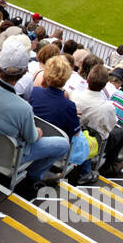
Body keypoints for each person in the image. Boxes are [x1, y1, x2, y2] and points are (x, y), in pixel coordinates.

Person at [0, 44, 72, 199]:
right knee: (63, 144)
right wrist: (39, 132)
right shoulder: (23, 108)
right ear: (24, 72)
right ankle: (33, 177)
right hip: (5, 156)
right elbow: (31, 138)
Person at [29, 54, 99, 183]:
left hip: (34, 141)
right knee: (72, 142)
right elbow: (75, 135)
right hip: (38, 142)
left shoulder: (34, 92)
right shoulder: (68, 106)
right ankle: (37, 173)